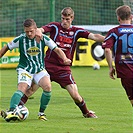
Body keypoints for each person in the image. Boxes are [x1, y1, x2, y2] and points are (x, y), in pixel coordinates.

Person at [20, 7, 105, 118]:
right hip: (47, 66)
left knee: (75, 95)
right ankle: (15, 109)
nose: (64, 21)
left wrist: (109, 39)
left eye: (67, 19)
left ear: (72, 18)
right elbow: (41, 29)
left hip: (63, 69)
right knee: (31, 89)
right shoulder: (55, 26)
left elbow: (94, 36)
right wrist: (38, 32)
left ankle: (86, 112)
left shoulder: (77, 31)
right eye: (63, 18)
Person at [0, 18, 71, 122]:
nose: (29, 33)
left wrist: (64, 59)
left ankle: (41, 113)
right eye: (27, 31)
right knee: (22, 87)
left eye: (31, 31)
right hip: (25, 69)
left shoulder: (43, 39)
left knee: (47, 87)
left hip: (39, 69)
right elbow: (6, 47)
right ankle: (11, 111)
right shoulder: (20, 39)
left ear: (36, 29)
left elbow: (57, 49)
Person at [102, 5, 133, 106]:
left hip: (126, 71)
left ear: (118, 18)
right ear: (131, 17)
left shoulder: (114, 32)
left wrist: (111, 67)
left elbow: (107, 50)